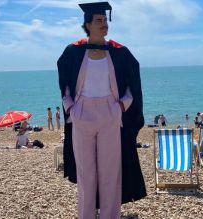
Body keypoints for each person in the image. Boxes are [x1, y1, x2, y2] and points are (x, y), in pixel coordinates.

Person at [57, 2, 146, 218]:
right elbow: (64, 82)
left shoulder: (119, 52)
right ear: (87, 24)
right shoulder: (74, 51)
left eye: (105, 20)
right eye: (99, 21)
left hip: (110, 114)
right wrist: (71, 108)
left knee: (110, 174)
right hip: (82, 114)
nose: (104, 24)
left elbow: (132, 83)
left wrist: (121, 106)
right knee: (86, 174)